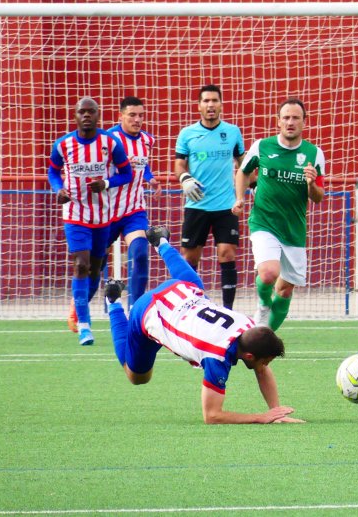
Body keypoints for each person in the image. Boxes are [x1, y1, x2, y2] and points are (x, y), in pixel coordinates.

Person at [104, 226, 303, 424]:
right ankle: (113, 302)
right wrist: (261, 418)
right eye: (266, 362)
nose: (266, 367)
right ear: (249, 356)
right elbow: (212, 416)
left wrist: (277, 413)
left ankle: (161, 243)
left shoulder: (249, 326)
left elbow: (261, 368)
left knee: (195, 285)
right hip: (150, 311)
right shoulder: (216, 355)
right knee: (137, 377)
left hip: (181, 292)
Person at [232, 98, 325, 330]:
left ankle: (264, 337)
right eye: (286, 118)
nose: (290, 122)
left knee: (285, 289)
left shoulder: (314, 153)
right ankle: (263, 304)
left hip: (293, 228)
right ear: (278, 122)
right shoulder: (262, 146)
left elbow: (318, 197)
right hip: (264, 221)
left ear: (304, 122)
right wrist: (240, 198)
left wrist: (311, 183)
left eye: (295, 118)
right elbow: (243, 173)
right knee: (268, 274)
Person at [48, 97, 132, 346]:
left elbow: (126, 173)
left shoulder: (110, 142)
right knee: (81, 264)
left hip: (103, 215)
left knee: (95, 267)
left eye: (90, 112)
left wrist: (106, 183)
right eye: (81, 112)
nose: (86, 116)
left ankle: (79, 305)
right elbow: (53, 170)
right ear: (75, 116)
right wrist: (58, 189)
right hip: (75, 214)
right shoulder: (63, 144)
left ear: (98, 115)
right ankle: (85, 326)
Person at [174, 84, 245, 310]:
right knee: (190, 259)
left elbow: (242, 164)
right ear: (199, 106)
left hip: (226, 205)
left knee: (227, 254)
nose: (211, 105)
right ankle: (191, 306)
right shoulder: (187, 134)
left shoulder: (233, 132)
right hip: (197, 205)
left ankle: (228, 310)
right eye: (206, 101)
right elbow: (179, 164)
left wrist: (252, 183)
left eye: (215, 100)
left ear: (221, 104)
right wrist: (185, 178)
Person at [104, 96, 161, 309]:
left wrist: (150, 178)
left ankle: (135, 309)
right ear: (121, 116)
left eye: (141, 115)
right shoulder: (108, 139)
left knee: (140, 253)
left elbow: (143, 166)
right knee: (95, 261)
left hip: (134, 210)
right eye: (132, 115)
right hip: (107, 211)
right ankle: (80, 303)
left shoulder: (147, 140)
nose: (137, 120)